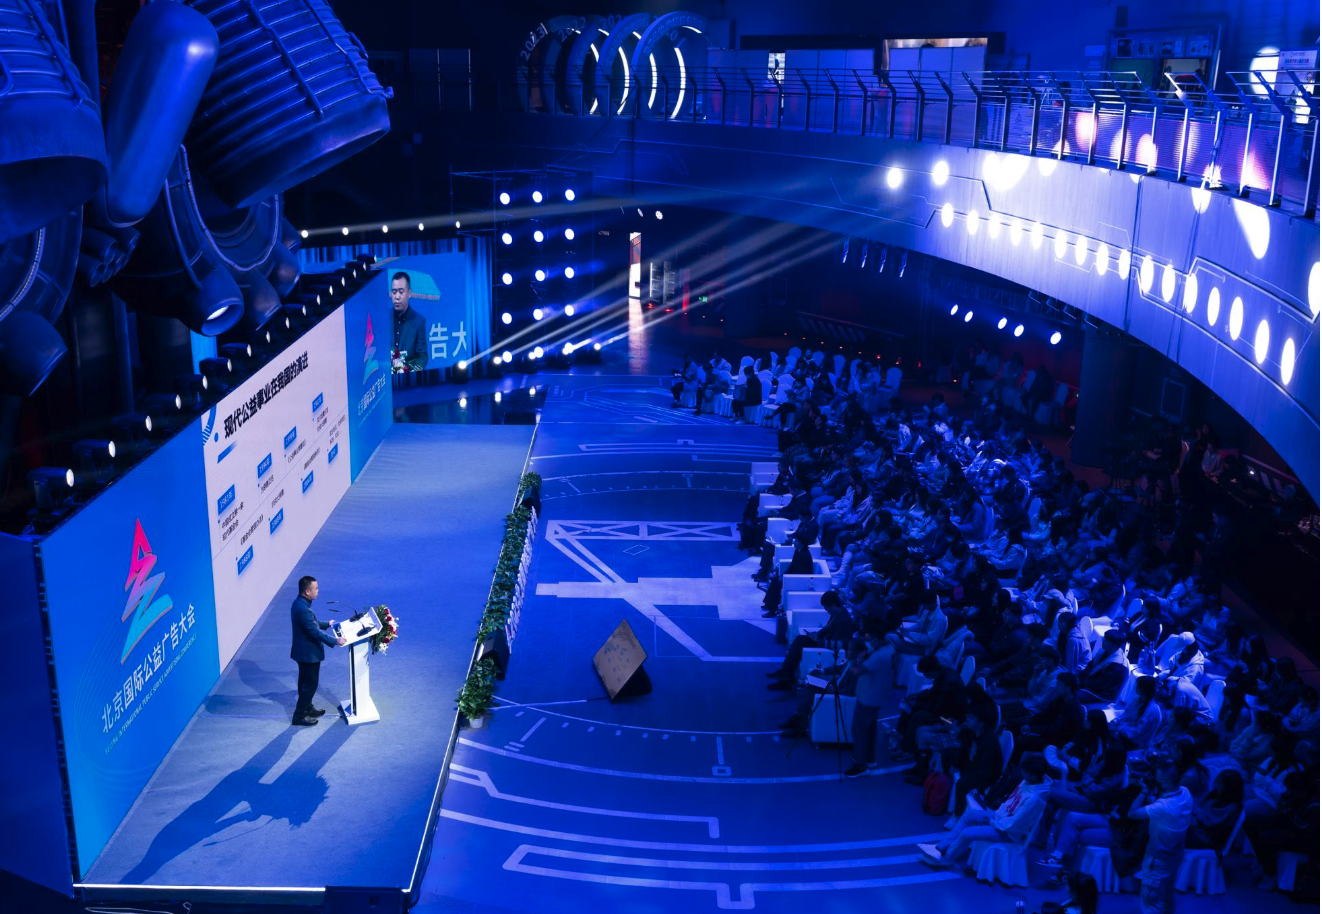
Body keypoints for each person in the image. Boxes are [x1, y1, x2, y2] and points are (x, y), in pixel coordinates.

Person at [917, 752, 1054, 867]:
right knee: (970, 815)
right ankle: (941, 848)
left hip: (1009, 832)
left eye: (1025, 771)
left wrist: (993, 821)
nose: (1021, 773)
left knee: (967, 833)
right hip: (1000, 818)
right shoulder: (1029, 781)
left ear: (1033, 775)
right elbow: (1010, 803)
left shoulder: (1034, 799)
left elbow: (1014, 824)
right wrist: (995, 816)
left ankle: (947, 858)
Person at [1128, 759, 1194, 914]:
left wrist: (1144, 791)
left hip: (1157, 860)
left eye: (1157, 779)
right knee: (1168, 894)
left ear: (1167, 781)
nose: (1155, 781)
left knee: (1151, 902)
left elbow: (1132, 813)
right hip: (1175, 855)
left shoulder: (1163, 807)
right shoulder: (1186, 793)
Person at [289, 575, 346, 725]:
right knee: (309, 685)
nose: (318, 591)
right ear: (307, 591)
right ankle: (299, 716)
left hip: (302, 652)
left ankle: (308, 708)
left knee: (304, 682)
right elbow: (314, 632)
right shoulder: (304, 609)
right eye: (316, 588)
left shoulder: (299, 603)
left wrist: (328, 623)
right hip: (308, 654)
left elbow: (311, 623)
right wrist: (335, 641)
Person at [843, 634, 891, 777]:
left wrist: (854, 661)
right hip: (877, 694)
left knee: (858, 729)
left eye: (869, 637)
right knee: (870, 728)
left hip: (868, 697)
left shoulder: (879, 656)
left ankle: (861, 765)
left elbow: (856, 671)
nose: (867, 640)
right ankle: (869, 758)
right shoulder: (888, 649)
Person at [390, 271, 428, 370]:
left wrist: (412, 371)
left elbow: (422, 356)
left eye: (401, 292)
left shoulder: (419, 321)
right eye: (394, 292)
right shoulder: (383, 319)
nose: (397, 297)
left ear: (409, 293)